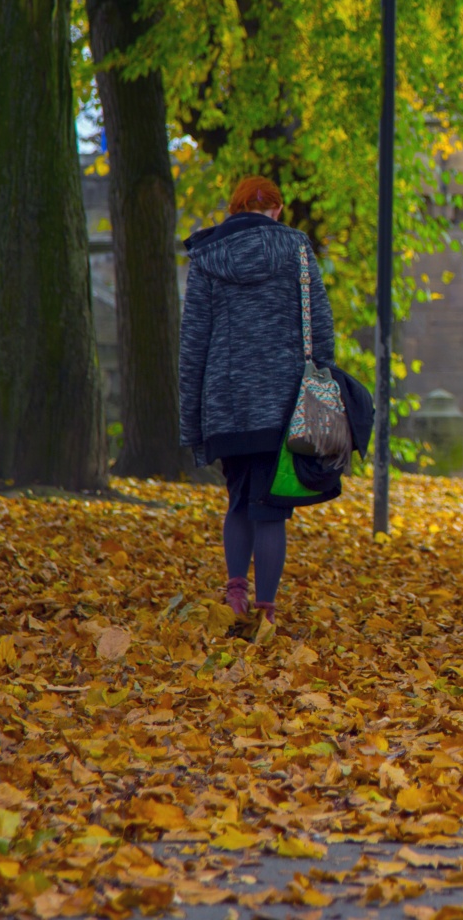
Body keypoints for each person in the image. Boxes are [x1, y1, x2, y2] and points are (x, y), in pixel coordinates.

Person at [180, 175, 333, 627]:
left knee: (238, 499)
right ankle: (264, 611)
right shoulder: (299, 252)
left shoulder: (207, 257)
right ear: (278, 210)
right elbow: (320, 331)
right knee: (270, 510)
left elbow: (193, 346)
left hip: (225, 403)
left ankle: (234, 595)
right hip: (283, 405)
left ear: (234, 210)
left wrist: (192, 421)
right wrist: (320, 396)